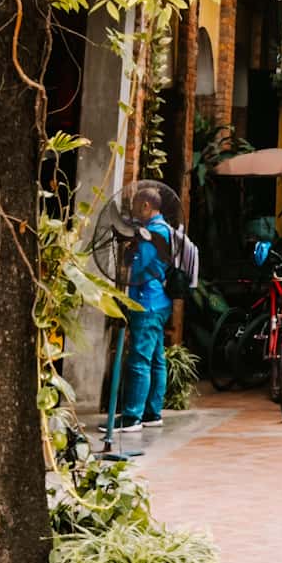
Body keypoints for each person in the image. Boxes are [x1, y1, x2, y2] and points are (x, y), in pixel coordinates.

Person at [114, 185, 175, 434]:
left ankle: (132, 417)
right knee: (157, 359)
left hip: (147, 301)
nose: (134, 210)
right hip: (160, 301)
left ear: (147, 206)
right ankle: (152, 413)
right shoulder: (165, 229)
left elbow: (139, 268)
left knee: (139, 359)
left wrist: (130, 255)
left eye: (137, 205)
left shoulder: (153, 232)